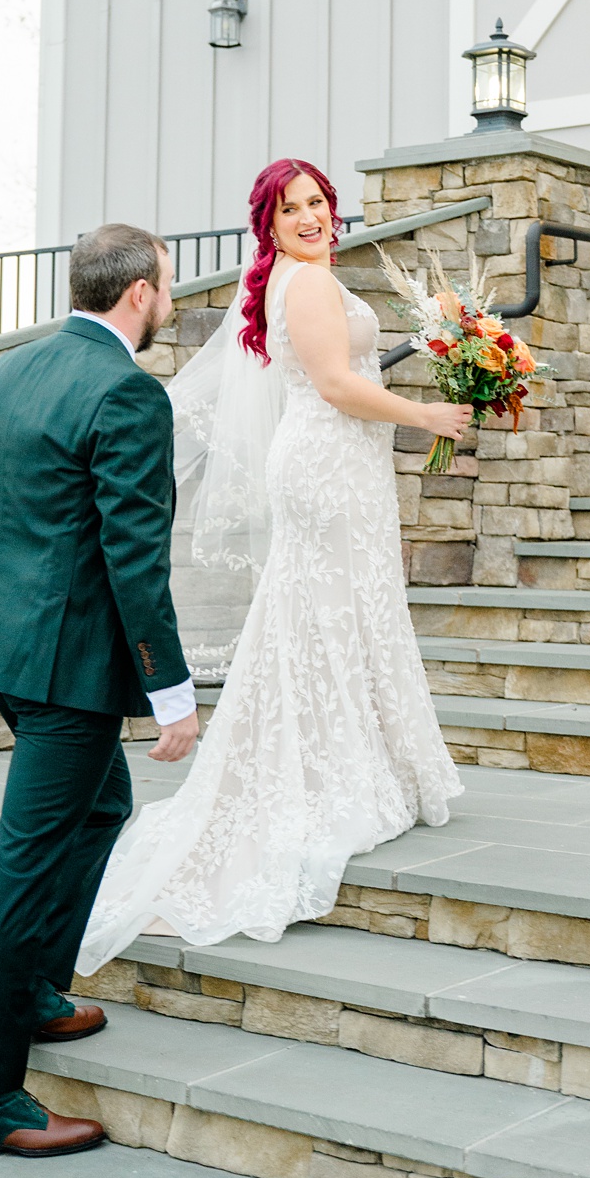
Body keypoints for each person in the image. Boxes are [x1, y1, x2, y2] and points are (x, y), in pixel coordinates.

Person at [78, 159, 466, 970]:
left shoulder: (303, 277)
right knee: (326, 608)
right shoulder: (309, 284)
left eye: (318, 203)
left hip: (339, 462)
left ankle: (359, 754)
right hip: (328, 463)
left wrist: (453, 342)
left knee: (340, 608)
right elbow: (334, 383)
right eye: (291, 209)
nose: (310, 217)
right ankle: (332, 771)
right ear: (271, 221)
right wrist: (423, 411)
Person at [0, 224, 201, 1162]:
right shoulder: (128, 390)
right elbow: (137, 553)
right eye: (165, 286)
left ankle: (41, 991)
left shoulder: (11, 371)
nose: (167, 301)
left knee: (101, 806)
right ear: (139, 293)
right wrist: (169, 688)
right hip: (71, 667)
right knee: (29, 862)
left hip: (8, 647)